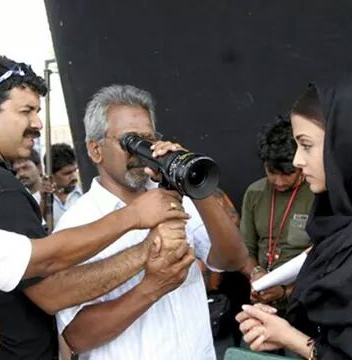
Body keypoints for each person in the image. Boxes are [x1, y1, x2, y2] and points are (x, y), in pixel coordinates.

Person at [0, 55, 189, 359]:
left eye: (37, 111)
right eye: (26, 111)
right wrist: (143, 239)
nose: (37, 123)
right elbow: (50, 289)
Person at [236, 75, 352, 359]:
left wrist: (294, 340)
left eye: (307, 145)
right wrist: (281, 330)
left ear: (346, 144)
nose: (298, 161)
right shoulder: (344, 225)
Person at [54, 84, 248, 360]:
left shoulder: (174, 199)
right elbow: (77, 337)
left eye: (147, 139)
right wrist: (152, 288)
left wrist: (192, 182)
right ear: (95, 150)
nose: (140, 151)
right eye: (129, 142)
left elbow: (232, 258)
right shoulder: (78, 223)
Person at [240, 119, 313, 307]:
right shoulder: (254, 193)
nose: (279, 181)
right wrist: (256, 274)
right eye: (272, 172)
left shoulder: (319, 194)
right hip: (263, 301)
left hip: (306, 300)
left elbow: (328, 259)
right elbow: (244, 250)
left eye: (287, 173)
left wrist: (284, 292)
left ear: (300, 162)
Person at [43, 143, 83, 225]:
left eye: (75, 170)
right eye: (67, 173)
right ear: (51, 175)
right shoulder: (41, 198)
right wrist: (43, 200)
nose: (74, 177)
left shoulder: (85, 193)